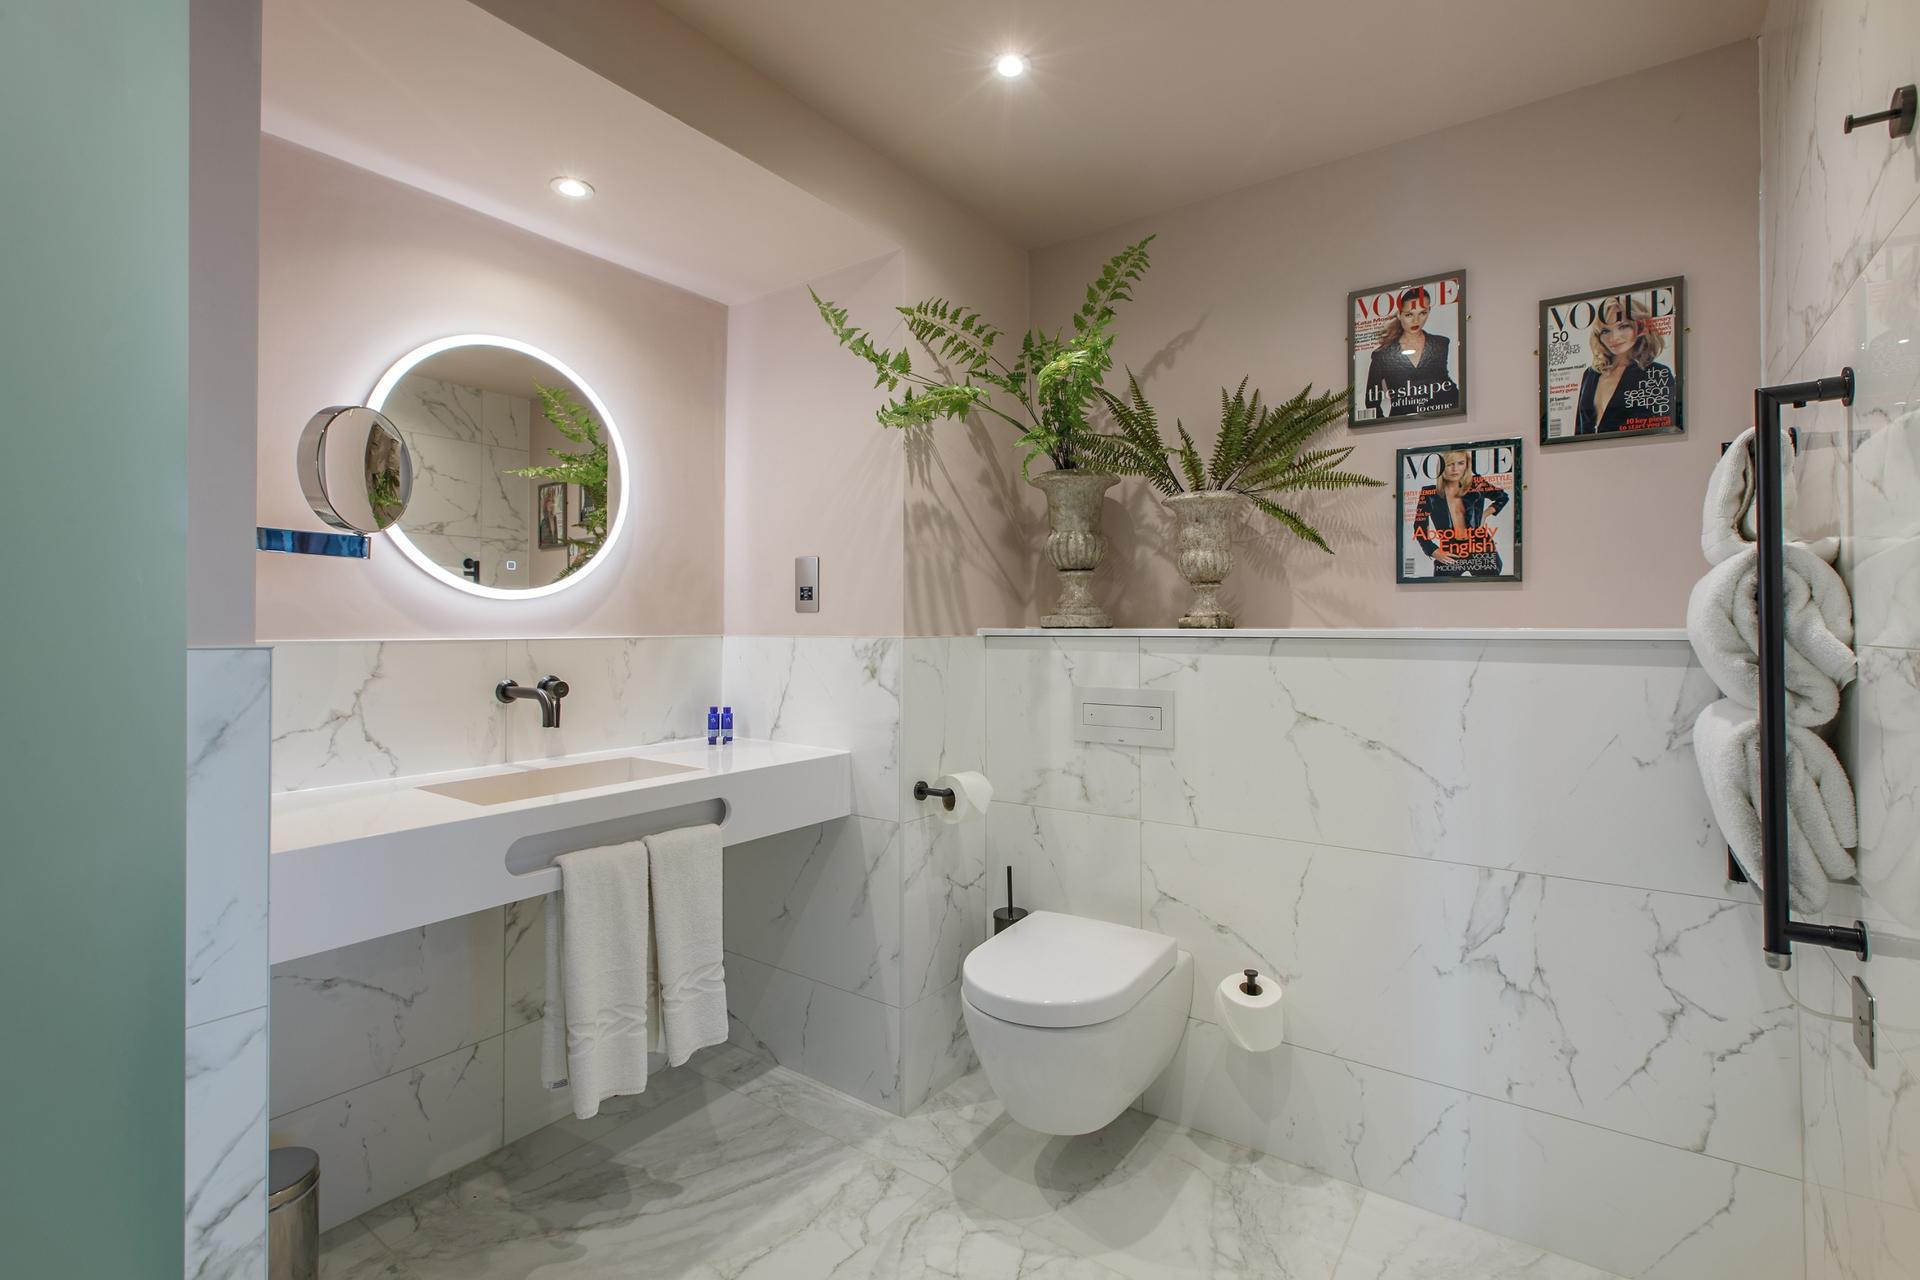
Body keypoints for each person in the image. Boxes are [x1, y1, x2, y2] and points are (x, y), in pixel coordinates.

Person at [1575, 294, 1675, 434]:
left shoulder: (1658, 374)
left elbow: (1665, 430)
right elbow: (1579, 431)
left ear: (1640, 327)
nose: (1613, 338)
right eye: (1605, 331)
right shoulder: (1591, 374)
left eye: (1623, 326)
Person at [1364, 285, 1459, 418]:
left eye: (1423, 313)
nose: (1416, 320)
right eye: (1409, 314)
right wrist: (1386, 427)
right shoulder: (1382, 355)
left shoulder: (1441, 343)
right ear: (1399, 314)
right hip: (1402, 426)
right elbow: (1371, 401)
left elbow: (1445, 383)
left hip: (1444, 418)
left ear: (1429, 311)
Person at [1413, 449, 1509, 577]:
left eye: (1460, 463)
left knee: (1491, 588)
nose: (1455, 469)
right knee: (1441, 590)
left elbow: (1502, 497)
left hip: (1479, 548)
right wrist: (1433, 550)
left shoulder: (1477, 484)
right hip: (1450, 551)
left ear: (1466, 465)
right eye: (1449, 464)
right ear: (1441, 467)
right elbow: (1419, 526)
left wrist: (1485, 514)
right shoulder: (1430, 494)